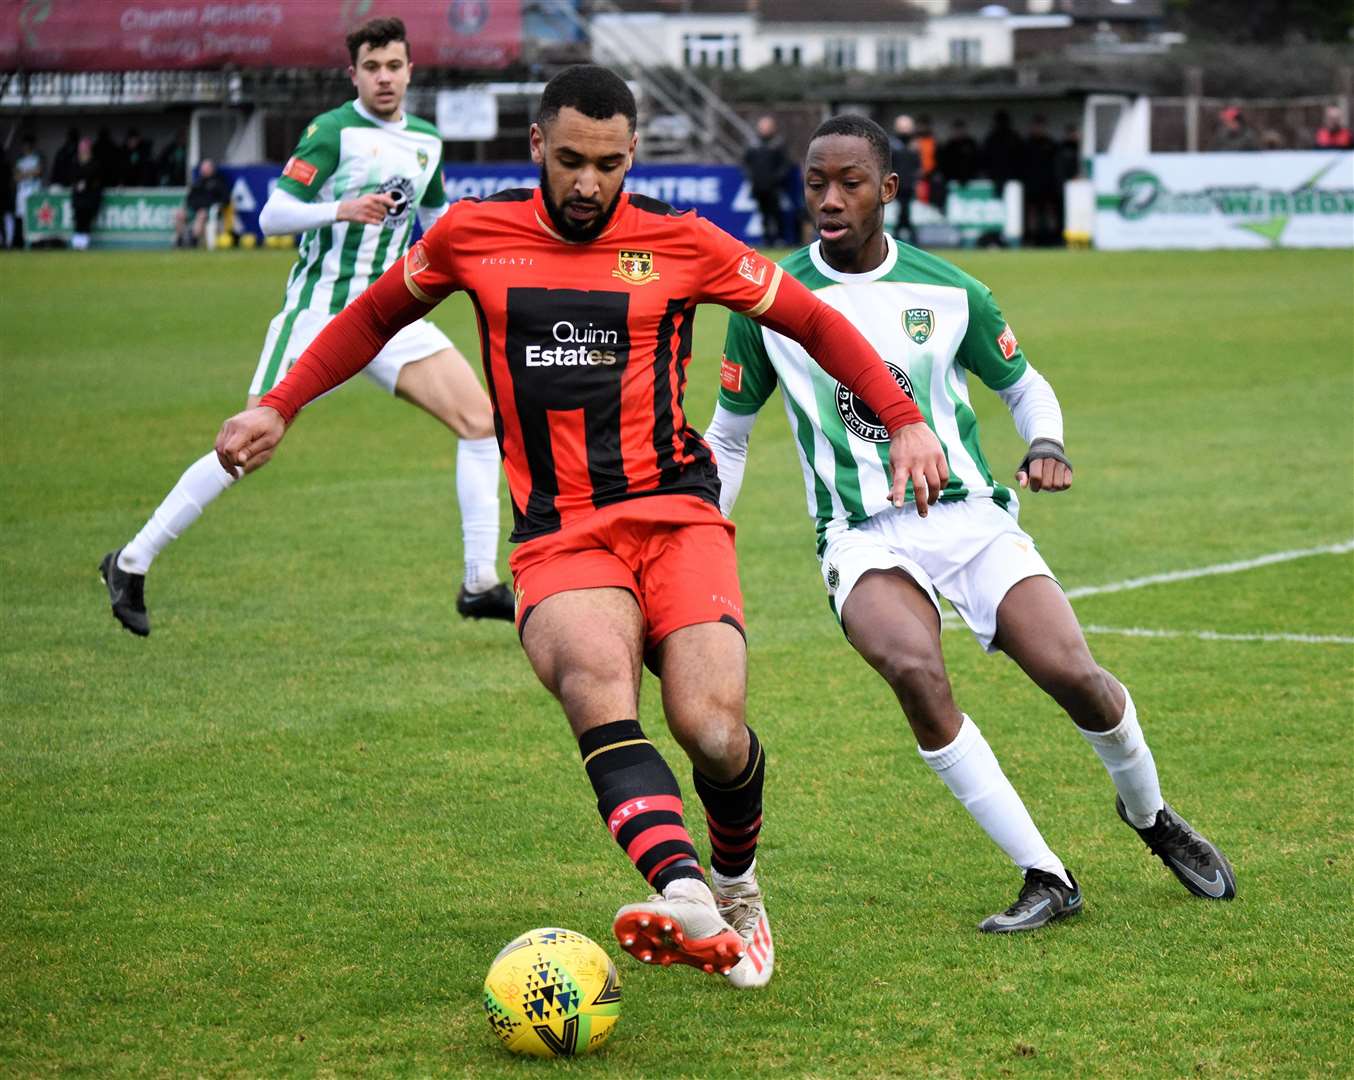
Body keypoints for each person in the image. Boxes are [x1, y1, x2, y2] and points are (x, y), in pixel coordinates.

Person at [214, 65, 948, 987]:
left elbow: (814, 321)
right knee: (599, 687)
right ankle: (684, 897)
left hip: (680, 516)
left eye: (610, 163)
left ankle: (736, 884)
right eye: (570, 161)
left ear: (633, 153)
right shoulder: (471, 235)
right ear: (536, 149)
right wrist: (281, 404)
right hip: (561, 533)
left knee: (713, 731)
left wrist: (905, 415)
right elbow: (368, 319)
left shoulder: (684, 243)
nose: (591, 183)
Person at [705, 114, 1236, 934]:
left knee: (1078, 680)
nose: (828, 199)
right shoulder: (770, 302)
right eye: (816, 183)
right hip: (860, 535)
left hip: (971, 519)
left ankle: (1153, 818)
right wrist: (704, 541)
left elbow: (1025, 385)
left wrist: (1047, 443)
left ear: (889, 189)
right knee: (915, 671)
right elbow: (729, 436)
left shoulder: (950, 291)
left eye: (849, 182)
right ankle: (1045, 873)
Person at [100, 16, 512, 636]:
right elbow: (271, 214)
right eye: (371, 68)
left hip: (391, 313)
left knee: (482, 422)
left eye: (394, 66)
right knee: (249, 445)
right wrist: (340, 208)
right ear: (354, 75)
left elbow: (439, 218)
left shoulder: (427, 140)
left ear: (409, 70)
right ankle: (131, 561)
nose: (384, 78)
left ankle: (479, 582)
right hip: (318, 313)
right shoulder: (332, 131)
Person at [743, 114, 792, 246]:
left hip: (774, 187)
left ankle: (780, 239)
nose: (764, 128)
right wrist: (752, 177)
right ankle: (766, 239)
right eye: (762, 126)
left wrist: (776, 178)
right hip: (758, 186)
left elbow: (785, 164)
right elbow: (745, 163)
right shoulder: (753, 145)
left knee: (776, 213)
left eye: (767, 126)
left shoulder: (778, 145)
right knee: (763, 213)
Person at [173, 157, 230, 247]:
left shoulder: (219, 182)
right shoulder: (198, 182)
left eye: (206, 168)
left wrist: (212, 206)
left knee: (201, 214)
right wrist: (187, 208)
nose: (203, 170)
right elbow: (189, 198)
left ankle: (193, 241)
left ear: (212, 169)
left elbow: (226, 199)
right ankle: (180, 240)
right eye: (202, 168)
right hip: (194, 209)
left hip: (209, 211)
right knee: (179, 214)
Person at [888, 114, 920, 246]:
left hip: (909, 185)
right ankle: (910, 238)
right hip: (897, 185)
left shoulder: (914, 147)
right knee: (903, 212)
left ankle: (901, 237)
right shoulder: (893, 146)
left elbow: (917, 166)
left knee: (904, 212)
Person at [69, 136, 104, 250]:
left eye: (85, 149)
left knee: (86, 219)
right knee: (78, 218)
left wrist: (86, 184)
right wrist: (77, 185)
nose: (83, 151)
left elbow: (96, 179)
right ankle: (76, 242)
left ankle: (83, 243)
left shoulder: (95, 163)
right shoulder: (75, 162)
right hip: (78, 197)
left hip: (89, 197)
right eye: (82, 149)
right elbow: (72, 177)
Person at [13, 134, 43, 249]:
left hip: (34, 191)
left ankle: (35, 243)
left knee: (34, 216)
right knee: (22, 217)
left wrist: (24, 174)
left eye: (27, 145)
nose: (25, 147)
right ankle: (23, 242)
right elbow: (16, 177)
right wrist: (29, 173)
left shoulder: (36, 158)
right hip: (22, 191)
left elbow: (38, 172)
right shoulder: (20, 161)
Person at [937, 118, 979, 186]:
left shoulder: (970, 143)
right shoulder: (949, 145)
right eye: (956, 129)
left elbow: (976, 161)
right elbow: (945, 164)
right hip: (952, 180)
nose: (959, 132)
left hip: (971, 180)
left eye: (961, 129)